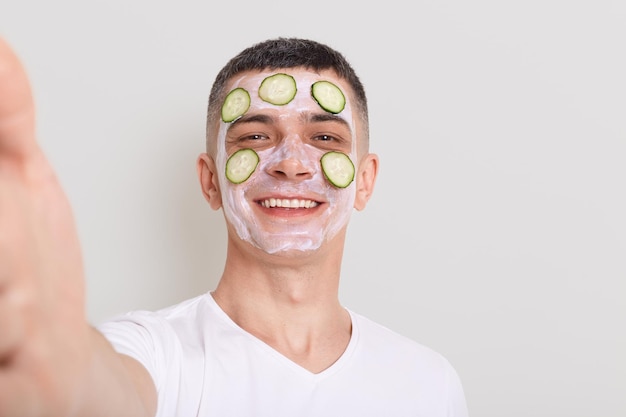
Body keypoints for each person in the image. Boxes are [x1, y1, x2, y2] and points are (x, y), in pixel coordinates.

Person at [0, 36, 468, 416]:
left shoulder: (429, 381)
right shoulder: (154, 354)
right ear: (210, 181)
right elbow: (102, 389)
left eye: (324, 137)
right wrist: (61, 369)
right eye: (256, 137)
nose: (291, 164)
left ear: (364, 182)